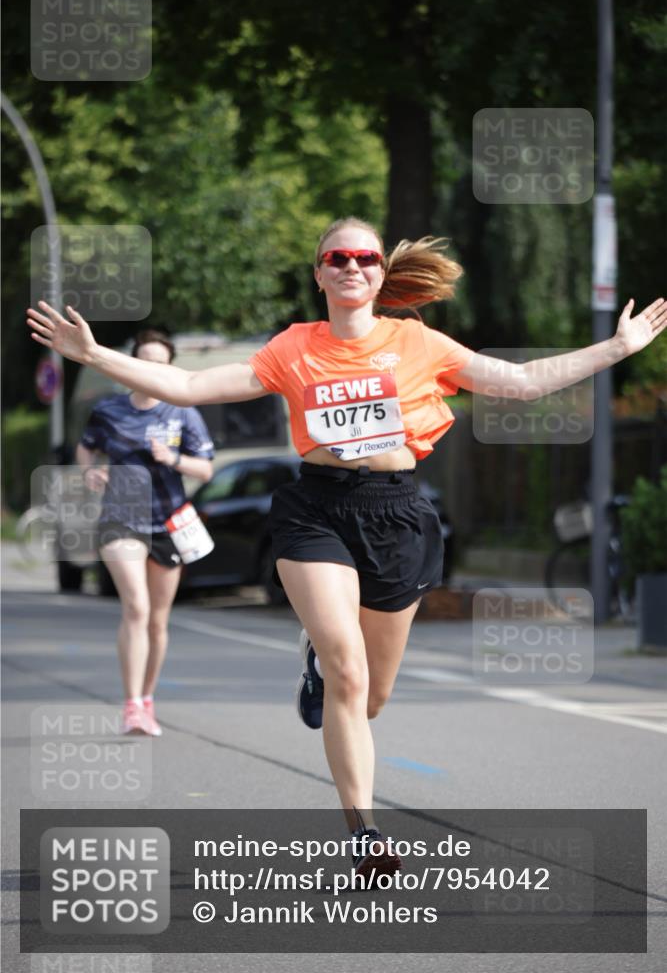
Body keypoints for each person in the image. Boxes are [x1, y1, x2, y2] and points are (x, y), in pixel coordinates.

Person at [27, 217, 666, 875]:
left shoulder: (416, 342)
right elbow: (191, 387)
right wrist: (95, 355)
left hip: (396, 515)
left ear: (380, 273)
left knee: (372, 696)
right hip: (316, 510)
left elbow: (521, 381)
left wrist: (616, 349)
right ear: (319, 272)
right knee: (348, 671)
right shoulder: (294, 347)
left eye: (364, 256)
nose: (351, 266)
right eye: (337, 257)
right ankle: (364, 830)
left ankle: (321, 671)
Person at [74, 329, 214, 736]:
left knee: (157, 620)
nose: (152, 367)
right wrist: (89, 472)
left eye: (160, 361)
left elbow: (205, 469)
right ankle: (132, 704)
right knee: (135, 607)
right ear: (131, 365)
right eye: (145, 359)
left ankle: (147, 699)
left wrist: (173, 458)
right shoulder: (109, 410)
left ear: (170, 367)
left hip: (168, 521)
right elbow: (85, 446)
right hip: (121, 518)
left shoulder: (183, 411)